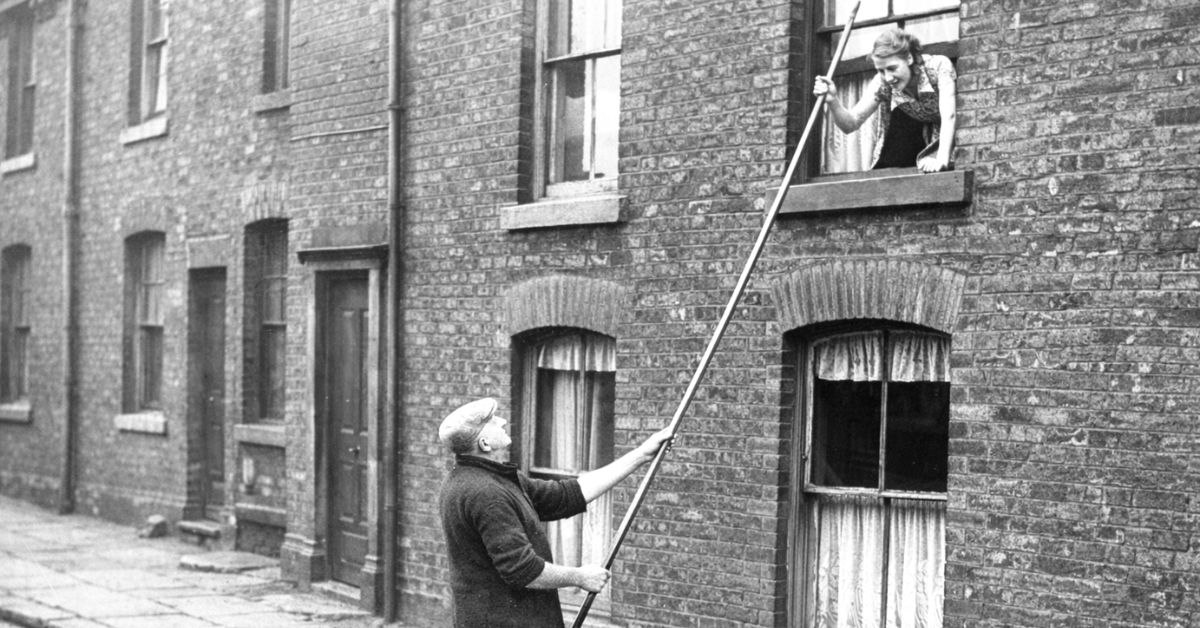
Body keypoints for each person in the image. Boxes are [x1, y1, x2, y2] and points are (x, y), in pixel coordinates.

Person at [437, 397, 673, 628]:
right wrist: (579, 577)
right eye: (492, 421)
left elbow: (565, 496)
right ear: (484, 444)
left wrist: (642, 454)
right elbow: (523, 571)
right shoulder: (486, 493)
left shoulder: (479, 480)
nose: (502, 421)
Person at [814, 27, 957, 173]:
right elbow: (850, 124)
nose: (888, 77)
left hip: (957, 139)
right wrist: (833, 101)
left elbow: (949, 116)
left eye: (892, 68)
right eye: (881, 70)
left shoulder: (938, 66)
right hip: (924, 147)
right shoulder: (882, 83)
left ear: (909, 58)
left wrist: (941, 160)